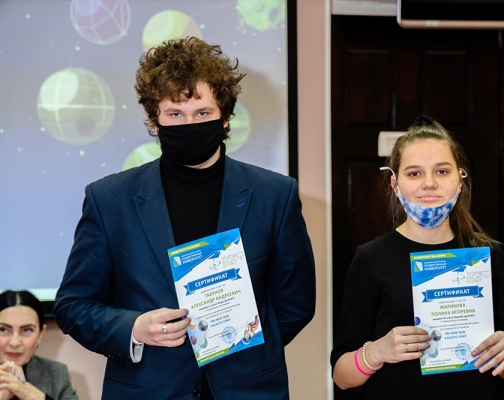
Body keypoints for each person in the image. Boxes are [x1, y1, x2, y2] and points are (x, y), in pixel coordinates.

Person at [53, 36, 316, 399]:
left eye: (202, 114)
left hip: (249, 389)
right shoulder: (110, 199)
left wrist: (243, 348)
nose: (189, 124)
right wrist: (135, 327)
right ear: (153, 119)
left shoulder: (275, 194)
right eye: (175, 114)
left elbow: (295, 303)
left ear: (225, 117)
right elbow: (73, 306)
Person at [330, 116, 504, 398]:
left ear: (460, 180)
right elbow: (341, 377)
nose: (429, 183)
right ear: (395, 185)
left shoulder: (486, 254)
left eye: (442, 171)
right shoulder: (371, 259)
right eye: (414, 174)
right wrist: (376, 352)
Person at [0, 290, 78, 400]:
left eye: (27, 330)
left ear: (41, 334)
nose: (15, 342)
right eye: (3, 329)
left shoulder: (56, 373)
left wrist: (35, 396)